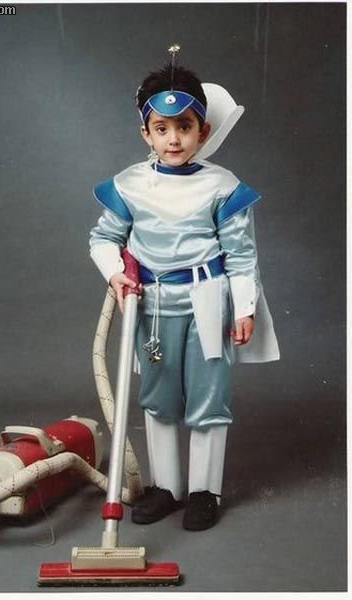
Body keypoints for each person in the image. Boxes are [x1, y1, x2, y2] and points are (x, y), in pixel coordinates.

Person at [89, 54, 279, 531]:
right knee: (158, 397)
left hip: (207, 302)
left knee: (209, 397)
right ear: (146, 134)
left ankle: (204, 491)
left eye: (185, 127)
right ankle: (167, 487)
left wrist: (245, 309)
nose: (173, 139)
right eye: (162, 128)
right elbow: (104, 238)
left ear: (203, 131)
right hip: (152, 306)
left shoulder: (222, 187)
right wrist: (115, 273)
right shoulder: (131, 185)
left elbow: (241, 256)